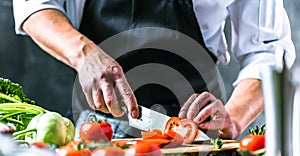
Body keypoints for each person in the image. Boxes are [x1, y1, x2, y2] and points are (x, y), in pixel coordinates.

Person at [12, 0, 295, 140]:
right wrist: (84, 54)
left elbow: (267, 50)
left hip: (198, 134)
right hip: (99, 132)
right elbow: (34, 5)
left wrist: (233, 119)